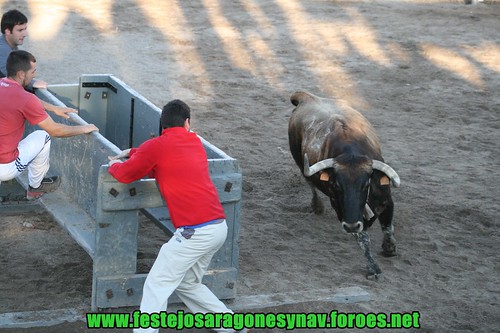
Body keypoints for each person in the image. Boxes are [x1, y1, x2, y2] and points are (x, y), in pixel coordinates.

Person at [108, 100, 247, 333]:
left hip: (195, 232)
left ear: (162, 125)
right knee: (188, 284)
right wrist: (135, 153)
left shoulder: (157, 146)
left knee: (157, 283)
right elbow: (162, 161)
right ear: (187, 123)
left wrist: (113, 164)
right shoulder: (194, 142)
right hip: (218, 228)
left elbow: (127, 174)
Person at [0, 50, 98, 199]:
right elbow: (55, 130)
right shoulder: (26, 99)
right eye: (32, 72)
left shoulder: (3, 85)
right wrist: (84, 128)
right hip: (4, 167)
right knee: (43, 137)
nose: (35, 75)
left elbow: (25, 100)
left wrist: (53, 108)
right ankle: (36, 187)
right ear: (21, 74)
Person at [1, 9, 76, 119]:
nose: (25, 34)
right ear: (8, 31)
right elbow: (10, 75)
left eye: (25, 29)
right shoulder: (2, 50)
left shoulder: (9, 46)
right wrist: (32, 83)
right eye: (20, 30)